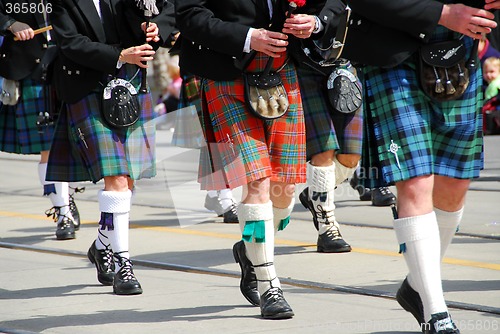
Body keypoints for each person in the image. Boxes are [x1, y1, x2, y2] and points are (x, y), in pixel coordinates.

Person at [342, 1, 499, 332]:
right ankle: (435, 312)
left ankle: (417, 286)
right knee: (414, 181)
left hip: (459, 51)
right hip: (394, 52)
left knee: (455, 185)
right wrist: (440, 14)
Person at [175, 0, 307, 319]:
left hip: (282, 70)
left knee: (285, 189)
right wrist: (248, 36)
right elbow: (190, 15)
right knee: (257, 180)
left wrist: (314, 22)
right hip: (227, 72)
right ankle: (268, 285)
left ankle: (250, 250)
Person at [46, 0, 175, 295]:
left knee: (127, 182)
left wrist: (155, 27)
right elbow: (69, 42)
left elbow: (172, 9)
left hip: (130, 85)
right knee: (116, 178)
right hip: (87, 88)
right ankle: (123, 265)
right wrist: (119, 55)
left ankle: (103, 245)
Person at [281, 1, 361, 253]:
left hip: (341, 61)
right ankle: (328, 228)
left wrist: (317, 21)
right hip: (299, 65)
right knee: (324, 150)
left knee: (351, 156)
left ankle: (314, 194)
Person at [0, 0, 83, 240]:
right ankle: (63, 211)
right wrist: (11, 23)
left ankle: (64, 196)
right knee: (48, 147)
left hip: (71, 65)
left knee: (75, 143)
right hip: (32, 68)